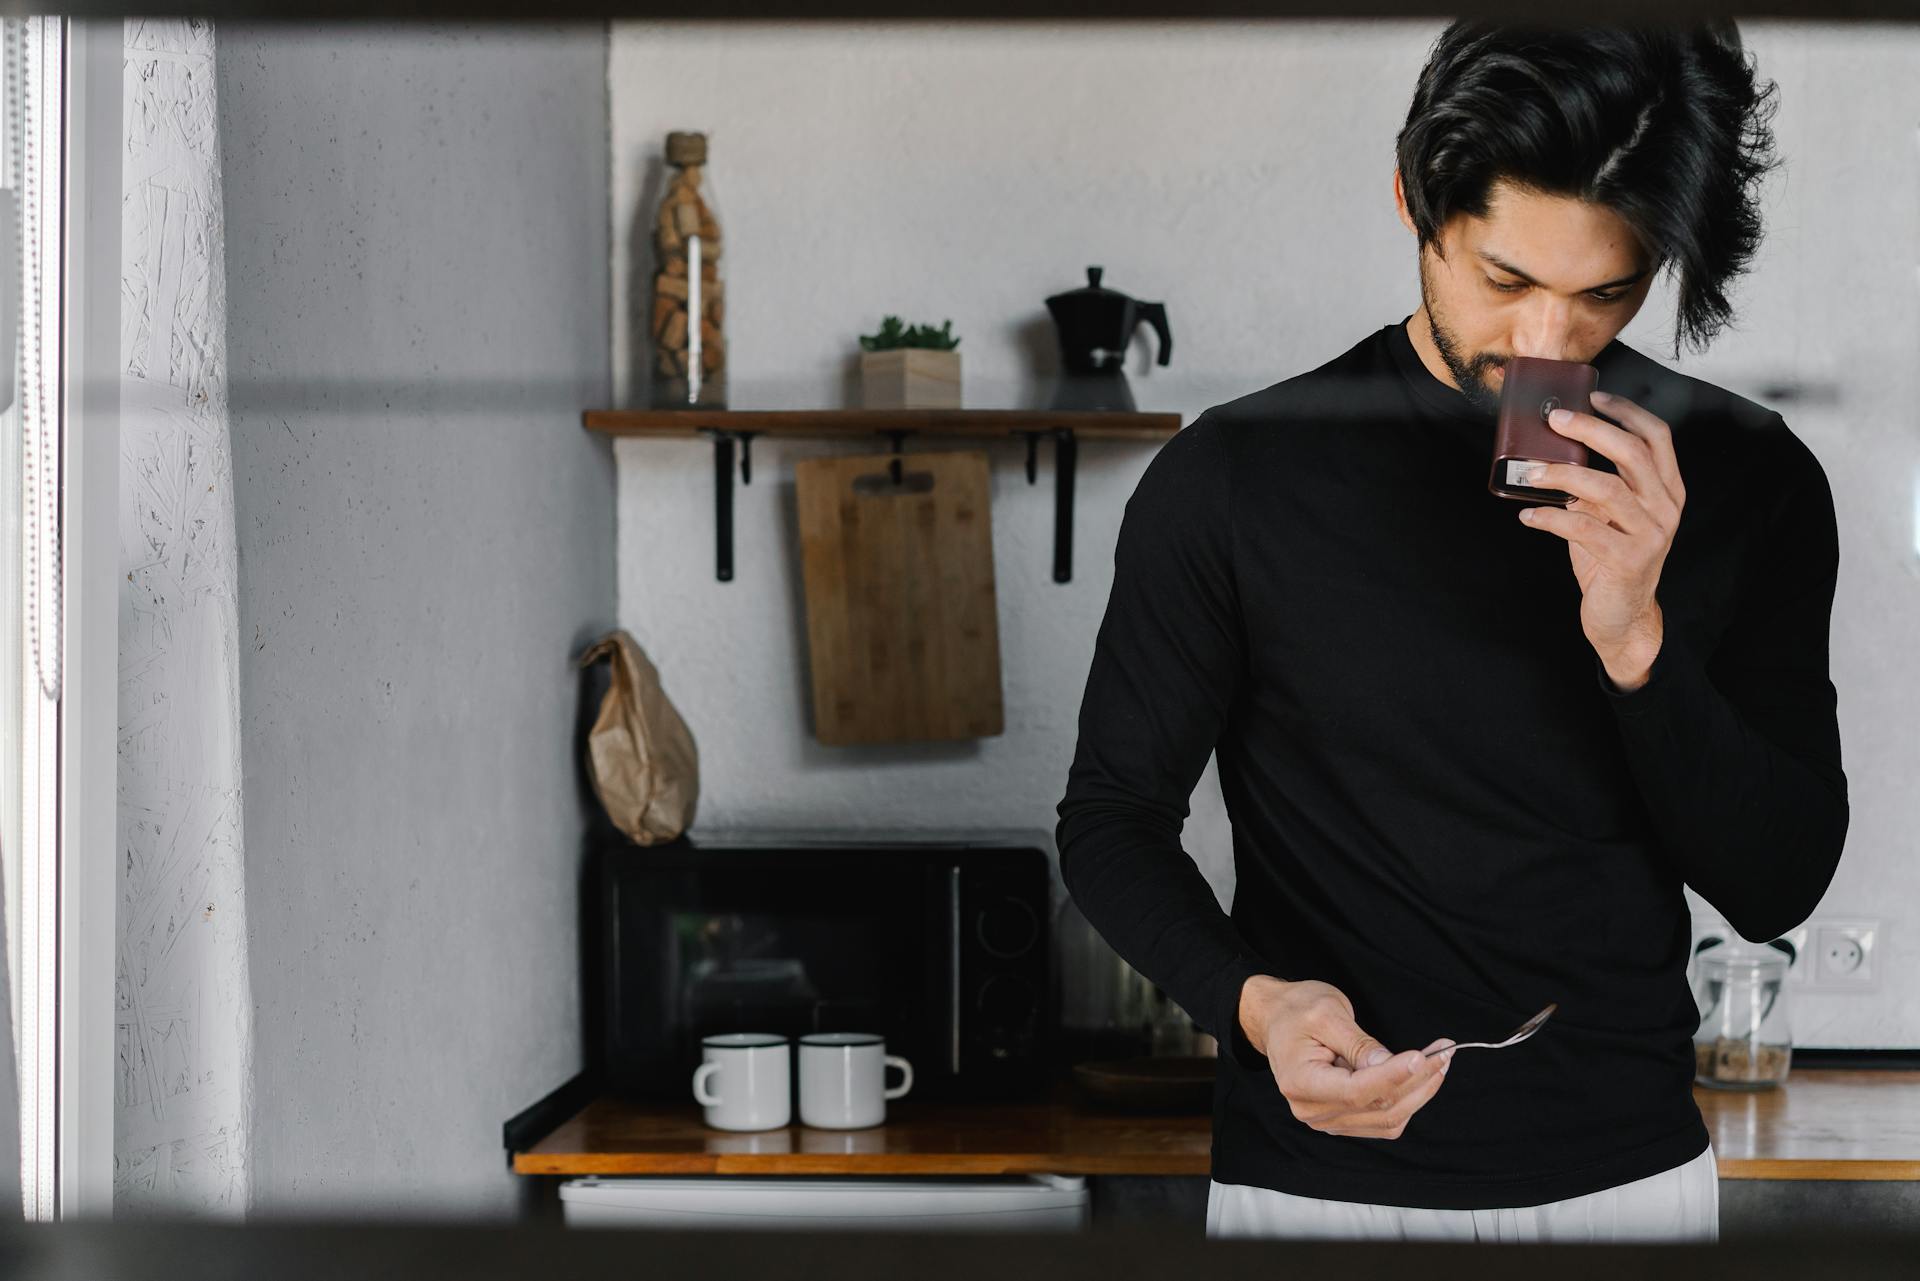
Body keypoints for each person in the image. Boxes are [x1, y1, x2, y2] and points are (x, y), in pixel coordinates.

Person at [1054, 19, 1847, 1245]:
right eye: (1505, 280)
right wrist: (1253, 1005)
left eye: (1604, 294)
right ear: (1414, 202)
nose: (1546, 344)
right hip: (1312, 1186)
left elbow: (1776, 884)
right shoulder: (1236, 476)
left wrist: (1636, 638)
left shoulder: (1750, 478)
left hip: (1627, 1186)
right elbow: (1109, 822)